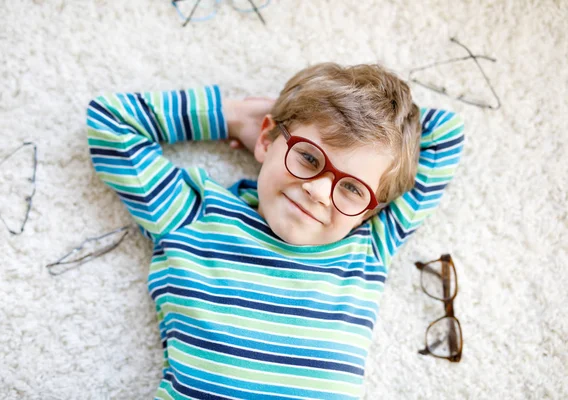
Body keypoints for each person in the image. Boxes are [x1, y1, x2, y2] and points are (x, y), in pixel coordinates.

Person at [86, 63, 464, 400]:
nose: (318, 191)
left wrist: (390, 122)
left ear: (373, 207)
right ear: (267, 140)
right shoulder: (192, 215)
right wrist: (231, 116)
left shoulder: (369, 244)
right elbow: (110, 122)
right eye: (308, 157)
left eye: (351, 187)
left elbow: (446, 134)